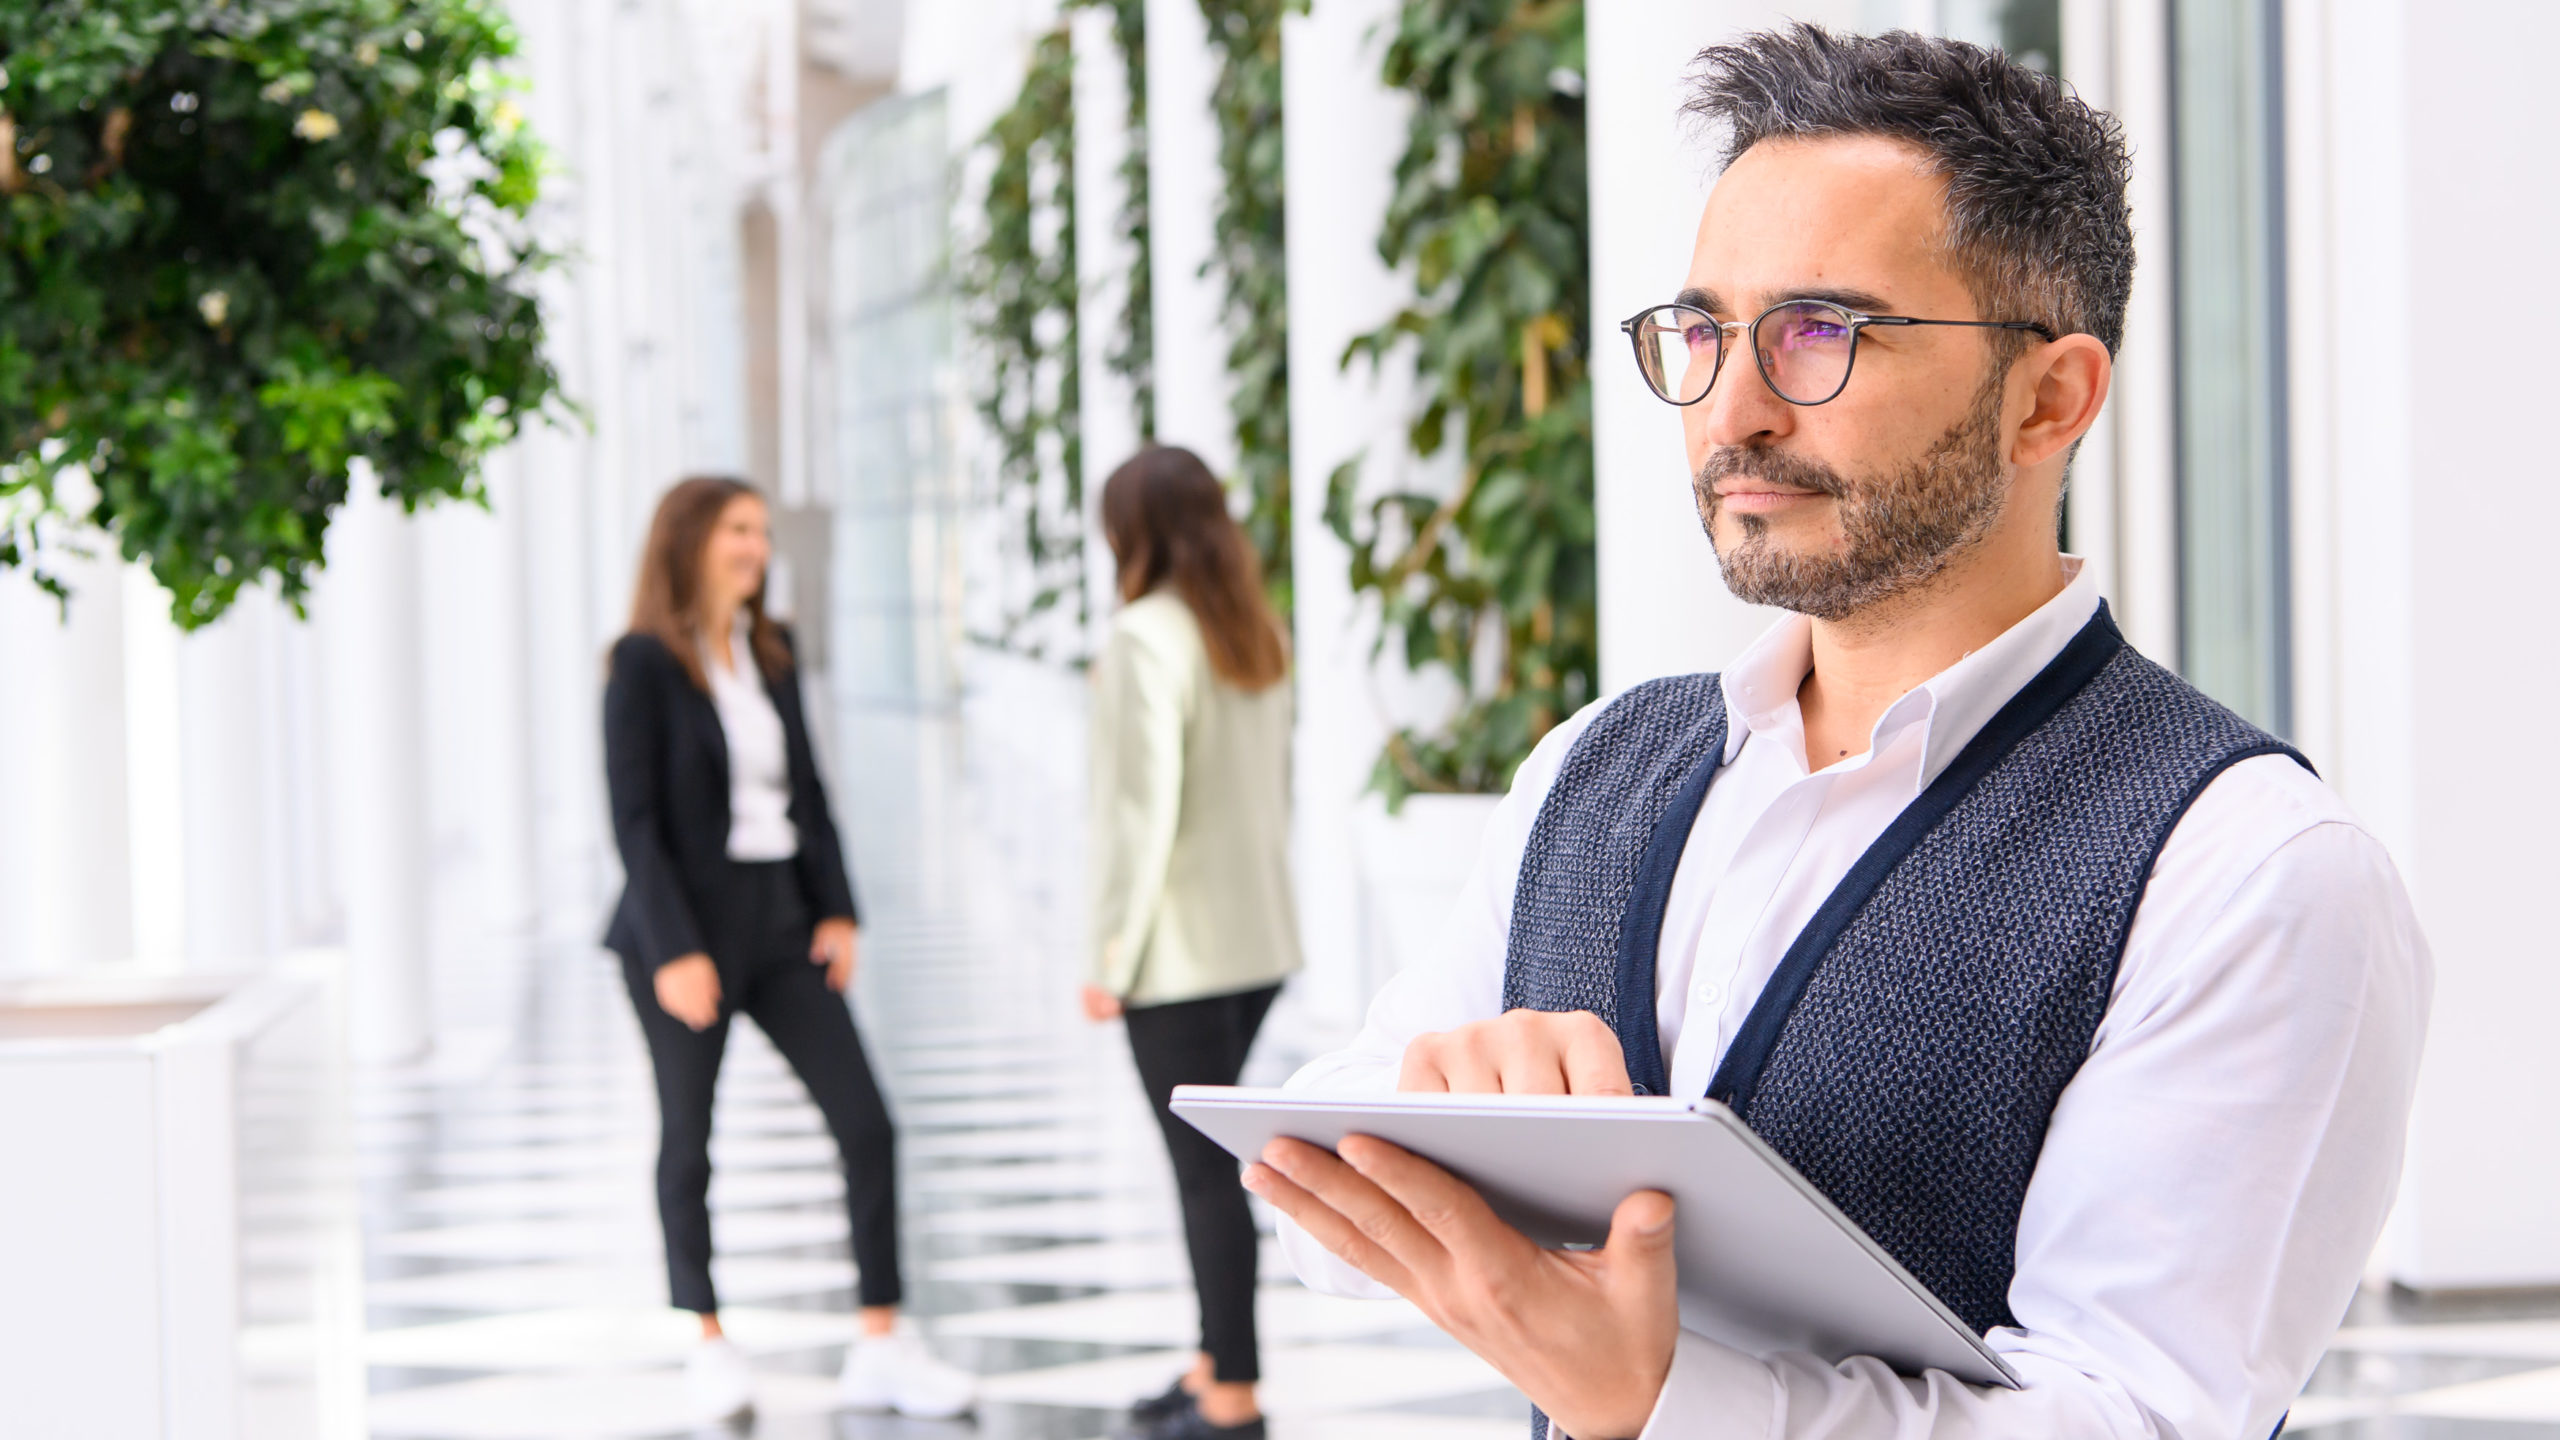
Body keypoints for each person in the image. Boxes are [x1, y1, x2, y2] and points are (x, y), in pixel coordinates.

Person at [1247, 26, 2430, 1440]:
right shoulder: (1596, 768)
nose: (1732, 411)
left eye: (1824, 333)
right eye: (1704, 331)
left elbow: (2132, 1415)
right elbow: (1315, 1189)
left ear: (2050, 397)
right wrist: (1451, 1113)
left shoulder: (2248, 872)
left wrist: (1664, 1394)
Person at [602, 475, 975, 1421]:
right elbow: (636, 825)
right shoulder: (641, 663)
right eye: (737, 530)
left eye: (761, 532)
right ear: (687, 539)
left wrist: (837, 909)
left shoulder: (769, 650)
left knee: (867, 1123)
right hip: (682, 931)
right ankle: (707, 1338)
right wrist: (676, 950)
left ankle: (883, 1341)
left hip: (779, 921)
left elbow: (808, 788)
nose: (755, 548)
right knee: (689, 1138)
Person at [1082, 446, 1303, 1440]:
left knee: (1203, 1176)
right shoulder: (1252, 631)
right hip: (1255, 944)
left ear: (1129, 531)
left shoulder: (1142, 638)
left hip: (1172, 958)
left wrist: (1108, 958)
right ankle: (1217, 1357)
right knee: (1209, 1164)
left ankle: (1233, 1396)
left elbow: (1138, 817)